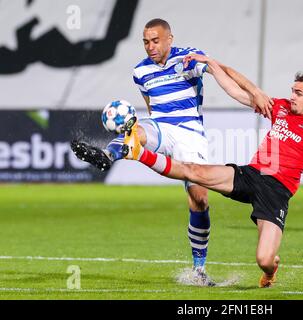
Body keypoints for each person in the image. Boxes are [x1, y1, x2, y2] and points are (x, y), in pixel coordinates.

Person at [119, 53, 303, 288]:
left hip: (276, 192)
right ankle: (139, 153)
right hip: (251, 175)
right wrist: (211, 64)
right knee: (192, 171)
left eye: (298, 93)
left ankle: (271, 271)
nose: (292, 96)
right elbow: (235, 91)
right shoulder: (278, 108)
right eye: (292, 90)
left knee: (264, 259)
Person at [71, 18, 272, 286]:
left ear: (169, 39)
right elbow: (150, 105)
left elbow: (223, 70)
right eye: (145, 42)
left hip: (190, 134)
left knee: (199, 200)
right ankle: (108, 156)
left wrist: (255, 92)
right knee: (137, 130)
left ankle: (199, 270)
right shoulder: (140, 72)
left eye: (155, 41)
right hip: (161, 127)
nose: (150, 46)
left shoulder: (188, 58)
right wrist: (156, 136)